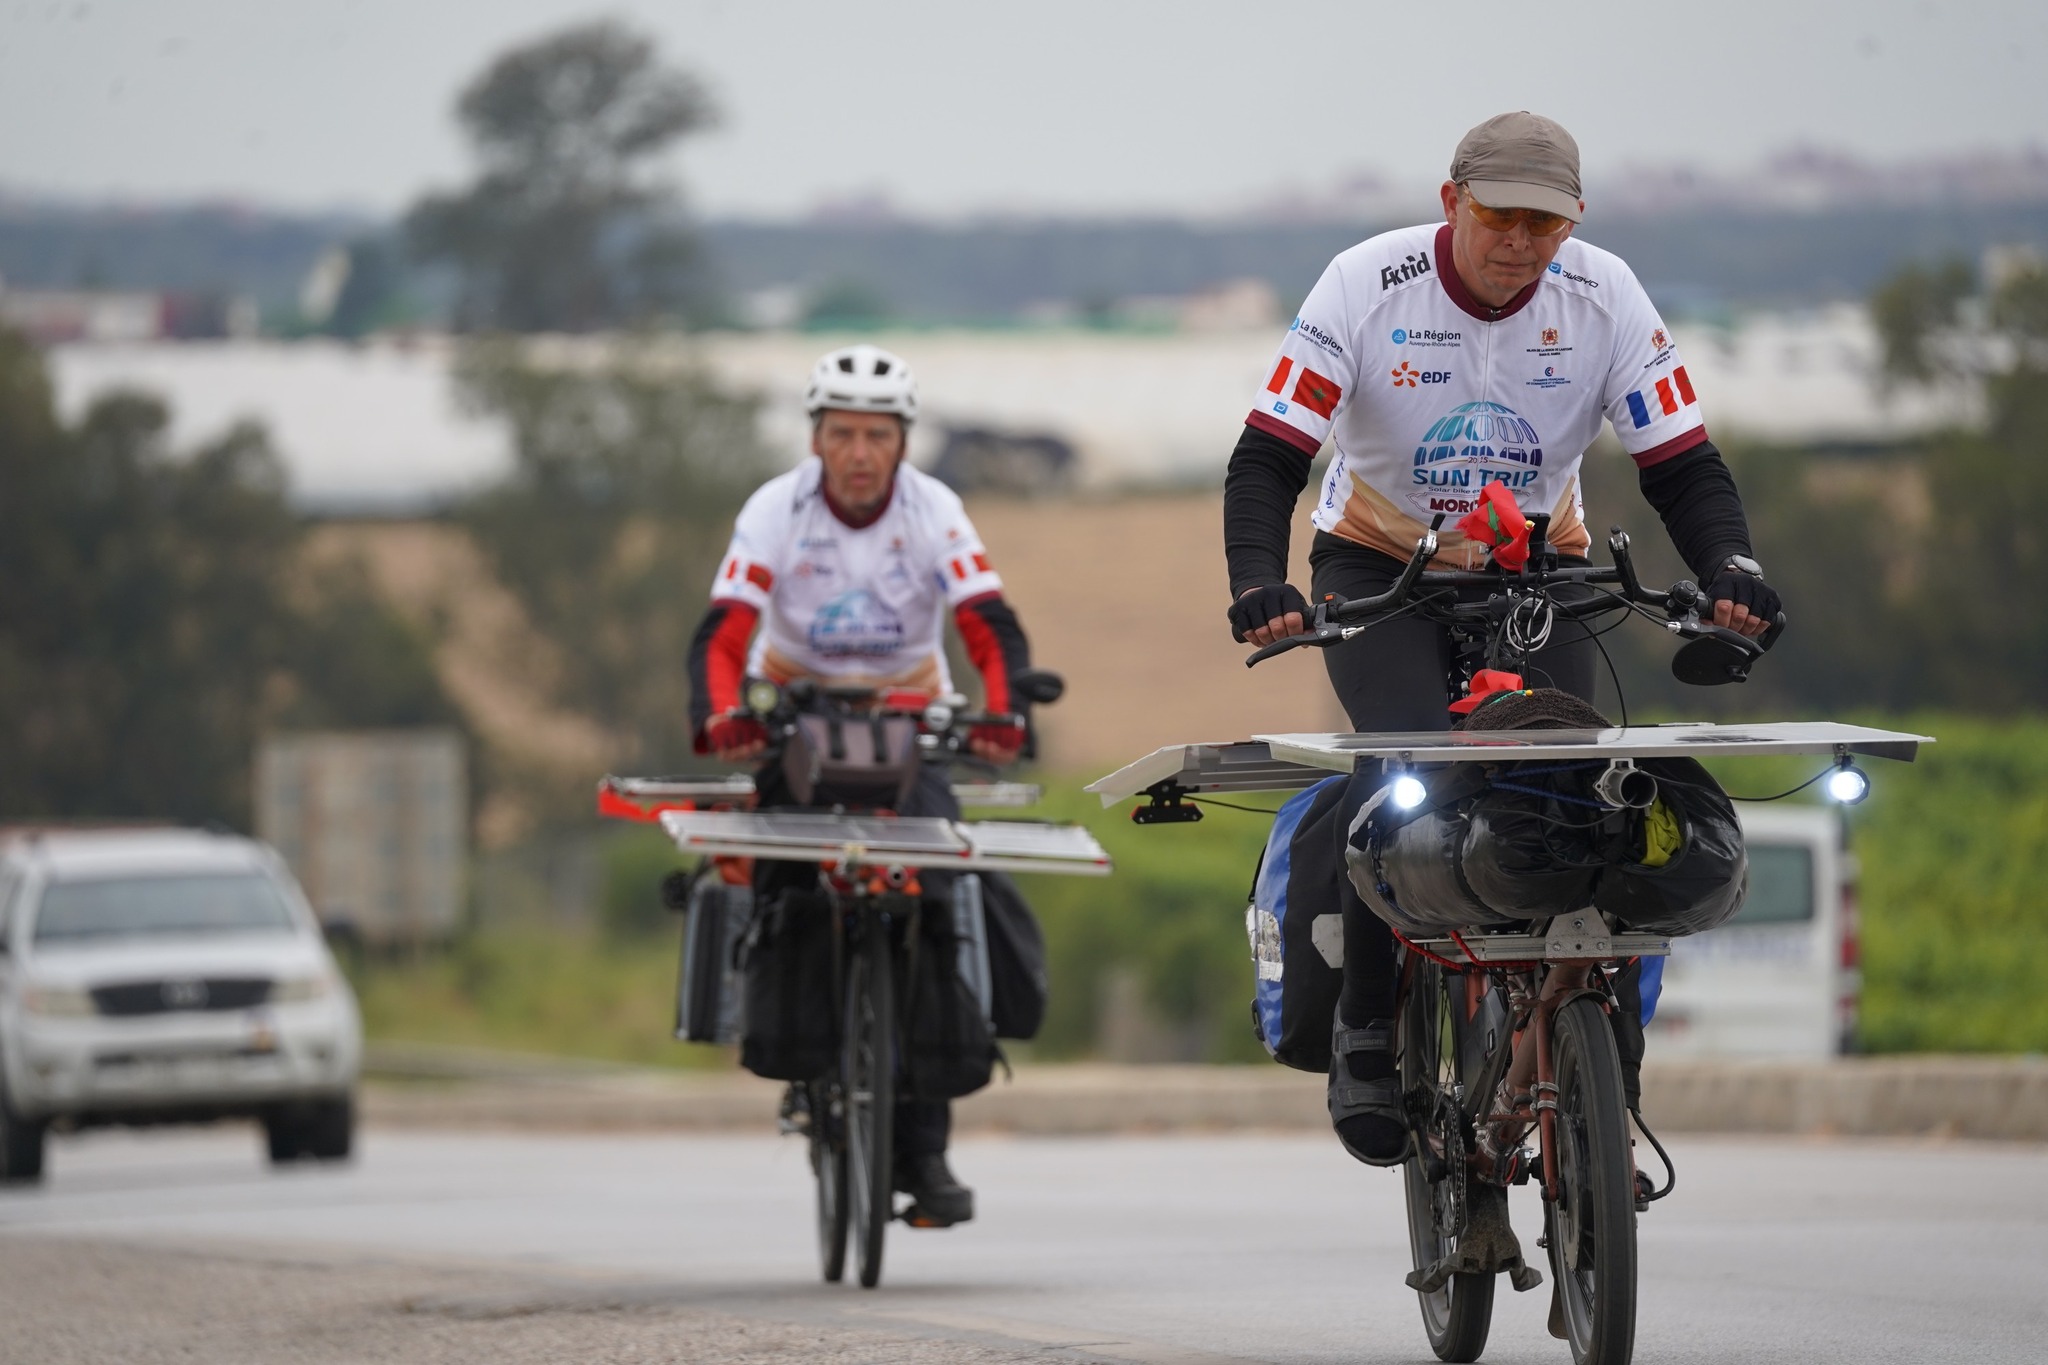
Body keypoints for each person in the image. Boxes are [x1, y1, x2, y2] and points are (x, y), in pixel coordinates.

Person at [1221, 112, 1784, 1166]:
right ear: (1451, 202)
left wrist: (1731, 568)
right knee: (1402, 769)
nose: (1521, 243)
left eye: (1546, 224)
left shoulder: (1605, 296)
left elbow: (1681, 466)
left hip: (1537, 565)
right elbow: (1267, 459)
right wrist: (1257, 580)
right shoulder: (1363, 284)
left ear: (1575, 222)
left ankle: (1600, 1069)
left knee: (1580, 786)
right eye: (1499, 218)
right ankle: (1365, 1029)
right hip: (1378, 563)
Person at [686, 343, 1035, 1226]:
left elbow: (988, 623)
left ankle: (926, 1145)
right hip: (794, 723)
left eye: (877, 435)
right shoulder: (776, 508)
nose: (859, 453)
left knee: (939, 895)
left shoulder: (934, 508)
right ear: (815, 438)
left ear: (903, 442)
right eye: (841, 433)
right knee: (782, 881)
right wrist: (722, 714)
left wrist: (1004, 712)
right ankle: (800, 1052)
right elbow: (723, 633)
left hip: (910, 727)